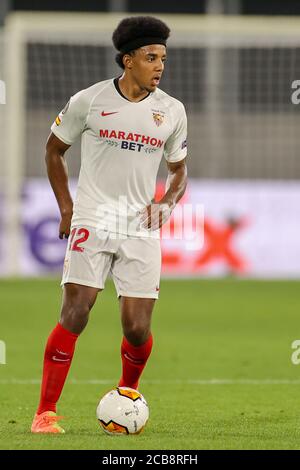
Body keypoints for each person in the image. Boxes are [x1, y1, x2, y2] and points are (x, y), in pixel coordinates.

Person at [31, 15, 188, 433]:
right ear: (128, 59)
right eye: (151, 57)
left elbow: (179, 170)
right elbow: (53, 152)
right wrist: (66, 207)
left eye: (163, 59)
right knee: (75, 312)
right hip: (93, 218)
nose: (159, 66)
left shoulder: (171, 111)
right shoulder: (90, 100)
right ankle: (44, 413)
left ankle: (127, 394)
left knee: (137, 328)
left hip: (140, 225)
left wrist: (168, 202)